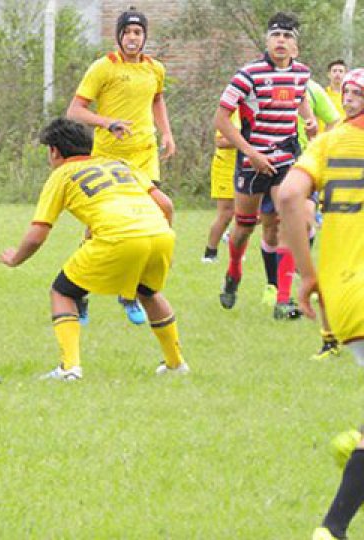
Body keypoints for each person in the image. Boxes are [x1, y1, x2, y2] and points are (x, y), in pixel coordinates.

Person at [0, 117, 185, 381]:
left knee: (62, 292)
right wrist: (162, 240)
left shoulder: (61, 175)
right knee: (149, 293)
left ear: (55, 151)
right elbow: (166, 205)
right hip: (159, 233)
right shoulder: (121, 164)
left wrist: (15, 258)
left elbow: (38, 234)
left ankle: (69, 368)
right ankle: (176, 365)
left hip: (118, 237)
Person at [278, 68, 364, 540]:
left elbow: (290, 194)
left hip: (344, 294)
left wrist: (308, 274)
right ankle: (331, 528)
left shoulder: (330, 142)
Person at [66, 7, 175, 326]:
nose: (132, 38)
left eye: (138, 33)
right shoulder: (103, 67)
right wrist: (107, 122)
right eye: (127, 33)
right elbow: (75, 110)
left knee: (161, 211)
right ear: (118, 36)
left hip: (144, 157)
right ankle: (79, 291)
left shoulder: (155, 68)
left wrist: (166, 132)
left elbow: (157, 99)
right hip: (109, 160)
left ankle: (133, 291)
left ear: (144, 37)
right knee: (97, 228)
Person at [214, 11, 315, 319]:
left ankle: (283, 300)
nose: (281, 41)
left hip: (285, 159)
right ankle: (233, 273)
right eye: (276, 36)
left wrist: (308, 120)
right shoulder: (248, 74)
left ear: (295, 45)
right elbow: (220, 119)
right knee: (244, 226)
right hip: (252, 160)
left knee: (287, 221)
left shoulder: (302, 74)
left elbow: (299, 100)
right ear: (267, 40)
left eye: (287, 36)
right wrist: (251, 153)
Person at [202, 111, 238, 263]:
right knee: (226, 214)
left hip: (250, 167)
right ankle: (210, 253)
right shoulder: (233, 110)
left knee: (257, 214)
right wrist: (247, 139)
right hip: (226, 167)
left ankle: (232, 238)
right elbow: (221, 142)